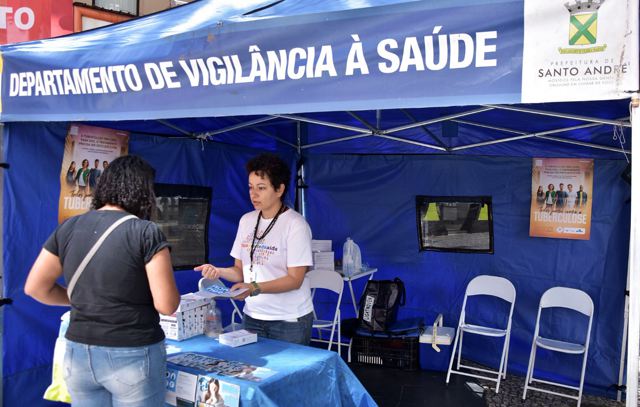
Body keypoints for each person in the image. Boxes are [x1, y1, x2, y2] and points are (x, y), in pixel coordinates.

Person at [24, 155, 180, 406]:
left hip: (78, 352)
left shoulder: (68, 227)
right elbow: (167, 304)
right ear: (143, 191)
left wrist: (79, 300)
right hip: (132, 352)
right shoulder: (145, 231)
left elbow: (35, 287)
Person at [196, 153, 314, 345]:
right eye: (251, 187)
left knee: (287, 374)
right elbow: (239, 271)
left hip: (289, 320)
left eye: (261, 188)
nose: (254, 194)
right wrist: (218, 271)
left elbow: (295, 280)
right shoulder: (247, 220)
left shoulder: (295, 225)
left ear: (279, 189)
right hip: (252, 317)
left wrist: (254, 288)